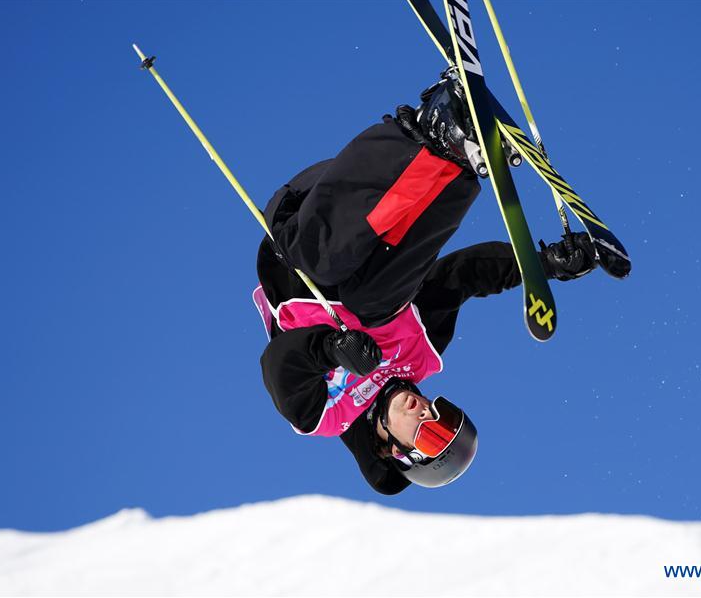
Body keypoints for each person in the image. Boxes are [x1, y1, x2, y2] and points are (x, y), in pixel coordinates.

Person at [254, 71, 601, 494]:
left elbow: (279, 367)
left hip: (302, 237)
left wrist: (330, 350)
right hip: (377, 192)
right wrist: (542, 265)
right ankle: (455, 152)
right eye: (444, 417)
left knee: (348, 285)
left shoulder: (326, 416)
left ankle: (427, 137)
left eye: (430, 436)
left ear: (394, 451)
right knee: (380, 298)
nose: (427, 414)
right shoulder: (421, 351)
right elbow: (463, 276)